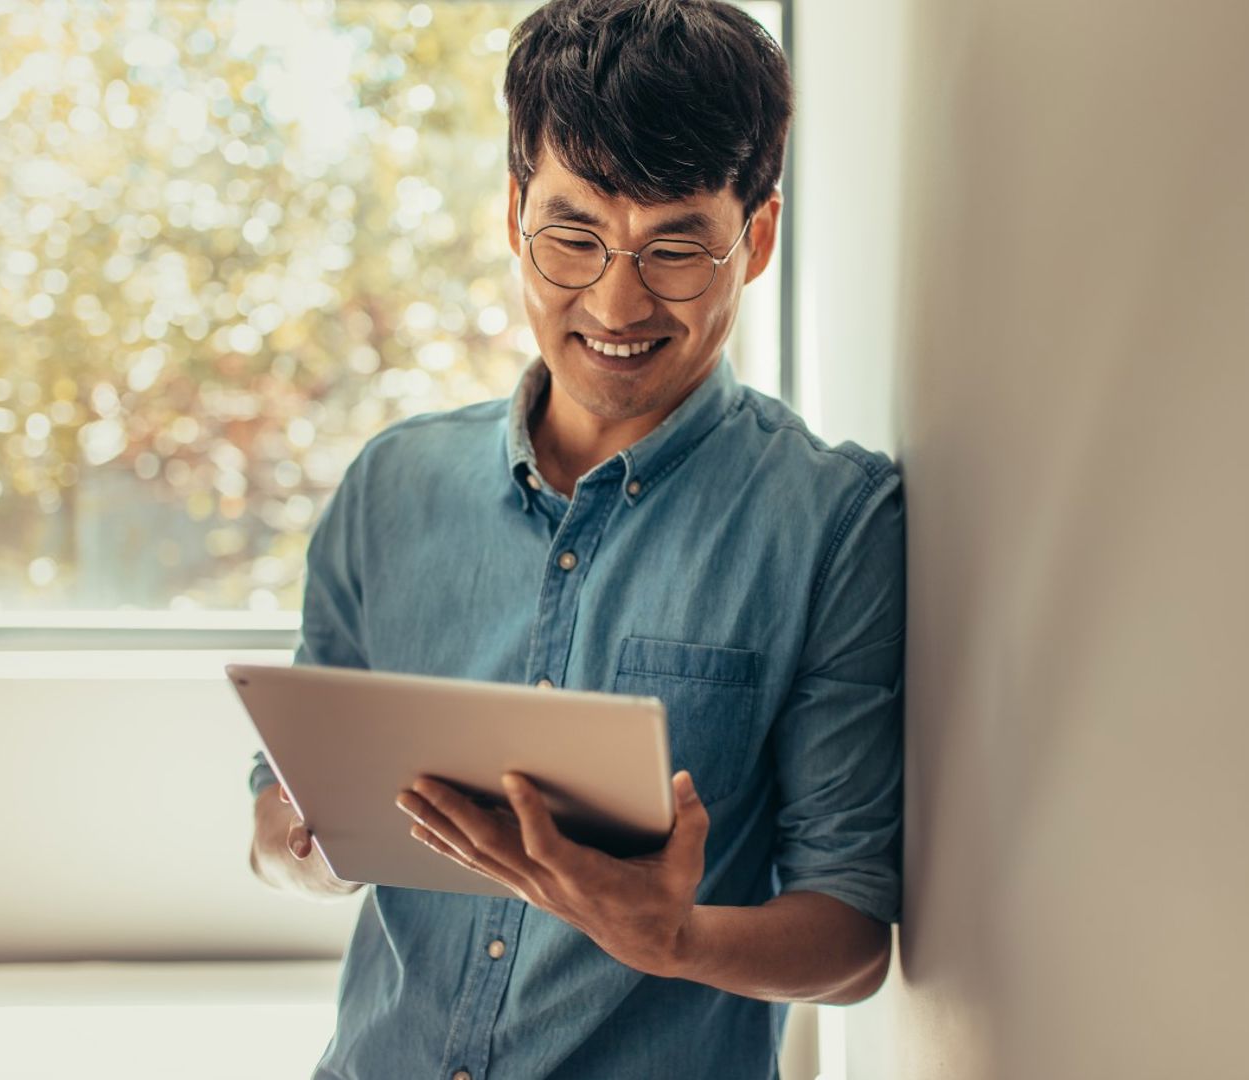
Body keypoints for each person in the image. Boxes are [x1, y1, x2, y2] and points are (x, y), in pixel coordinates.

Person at [246, 1, 904, 1076]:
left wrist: (675, 938)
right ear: (513, 215)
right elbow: (279, 827)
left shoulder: (833, 524)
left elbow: (851, 937)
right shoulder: (390, 487)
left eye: (676, 246)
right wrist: (306, 846)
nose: (616, 298)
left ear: (759, 239)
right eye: (574, 236)